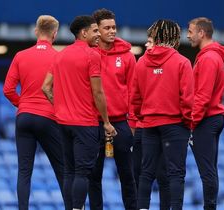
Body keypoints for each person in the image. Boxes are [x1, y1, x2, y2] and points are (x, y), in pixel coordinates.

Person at [41, 15, 117, 210]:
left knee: (69, 172)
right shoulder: (92, 55)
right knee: (83, 173)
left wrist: (59, 106)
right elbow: (98, 92)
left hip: (63, 122)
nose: (98, 34)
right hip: (85, 123)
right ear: (84, 33)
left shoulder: (60, 55)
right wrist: (107, 122)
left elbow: (46, 87)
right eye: (95, 30)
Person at [2, 15, 65, 210]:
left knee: (24, 171)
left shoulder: (21, 55)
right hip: (48, 117)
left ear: (36, 31)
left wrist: (24, 104)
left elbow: (8, 89)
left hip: (24, 116)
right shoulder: (58, 57)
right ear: (55, 34)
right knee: (62, 169)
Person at [131, 19, 193, 210]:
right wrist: (188, 122)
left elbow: (134, 97)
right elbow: (188, 98)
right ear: (174, 37)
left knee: (146, 172)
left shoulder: (141, 62)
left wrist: (142, 115)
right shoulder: (182, 62)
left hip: (149, 124)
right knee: (175, 173)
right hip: (175, 124)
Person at [88, 8, 137, 210]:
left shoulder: (127, 56)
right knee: (93, 177)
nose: (112, 31)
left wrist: (132, 122)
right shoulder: (89, 54)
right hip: (93, 123)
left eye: (114, 27)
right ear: (96, 30)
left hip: (120, 123)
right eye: (106, 28)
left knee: (127, 175)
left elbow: (135, 91)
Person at [187, 17, 224, 210]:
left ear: (201, 33)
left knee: (207, 171)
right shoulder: (214, 56)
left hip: (206, 119)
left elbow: (203, 96)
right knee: (210, 170)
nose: (188, 35)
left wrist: (191, 123)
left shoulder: (209, 58)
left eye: (190, 31)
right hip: (213, 117)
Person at [131, 35, 170, 210]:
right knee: (141, 175)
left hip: (156, 127)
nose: (146, 44)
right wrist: (136, 119)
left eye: (150, 41)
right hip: (142, 127)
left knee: (163, 175)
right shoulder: (141, 64)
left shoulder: (170, 65)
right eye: (146, 40)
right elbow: (134, 95)